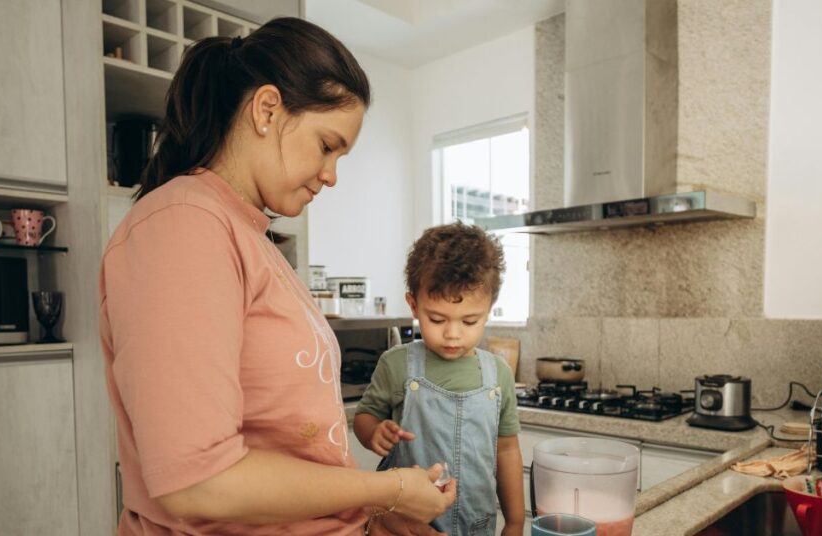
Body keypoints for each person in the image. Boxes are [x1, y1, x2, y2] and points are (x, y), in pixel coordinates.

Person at [99, 17, 455, 536]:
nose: (332, 175)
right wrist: (388, 489)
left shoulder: (248, 235)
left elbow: (285, 441)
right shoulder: (183, 225)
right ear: (267, 110)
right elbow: (198, 481)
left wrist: (373, 515)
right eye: (328, 145)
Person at [353, 223, 526, 536]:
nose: (453, 333)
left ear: (488, 311)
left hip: (478, 525)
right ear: (414, 305)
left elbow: (507, 451)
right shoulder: (397, 365)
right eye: (436, 319)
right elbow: (364, 418)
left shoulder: (498, 374)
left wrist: (515, 520)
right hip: (406, 524)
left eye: (470, 321)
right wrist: (373, 432)